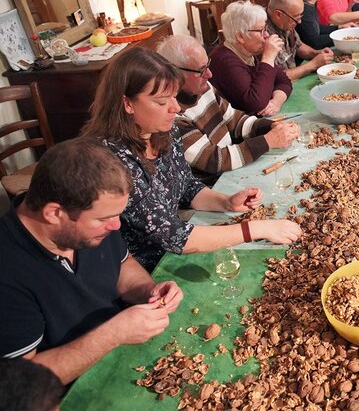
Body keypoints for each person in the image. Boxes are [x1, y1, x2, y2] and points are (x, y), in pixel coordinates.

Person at [81, 48, 303, 272]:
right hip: (145, 270)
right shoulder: (113, 162)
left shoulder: (165, 131)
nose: (176, 108)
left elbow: (187, 185)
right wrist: (255, 229)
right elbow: (175, 236)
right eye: (162, 102)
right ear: (128, 104)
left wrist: (225, 202)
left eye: (174, 96)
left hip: (174, 249)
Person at [0, 138, 182, 383]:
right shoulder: (8, 273)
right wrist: (113, 334)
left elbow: (121, 264)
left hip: (119, 353)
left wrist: (148, 290)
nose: (116, 225)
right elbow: (22, 380)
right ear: (54, 213)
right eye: (105, 219)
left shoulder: (90, 222)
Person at [158, 35, 299, 183]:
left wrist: (271, 127)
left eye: (208, 65)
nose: (209, 74)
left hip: (233, 169)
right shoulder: (172, 114)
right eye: (201, 71)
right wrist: (269, 141)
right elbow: (213, 160)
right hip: (215, 184)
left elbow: (235, 121)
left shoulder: (203, 88)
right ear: (175, 74)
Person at [208, 0, 293, 116]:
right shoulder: (224, 61)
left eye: (266, 29)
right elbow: (255, 103)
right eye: (261, 31)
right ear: (240, 36)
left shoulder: (253, 50)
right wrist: (268, 58)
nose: (267, 35)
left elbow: (284, 81)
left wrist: (276, 102)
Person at [263, 0, 334, 81]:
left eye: (300, 16)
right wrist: (313, 64)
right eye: (296, 17)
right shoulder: (262, 34)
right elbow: (276, 78)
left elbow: (298, 45)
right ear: (278, 14)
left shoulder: (285, 22)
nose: (299, 22)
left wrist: (316, 54)